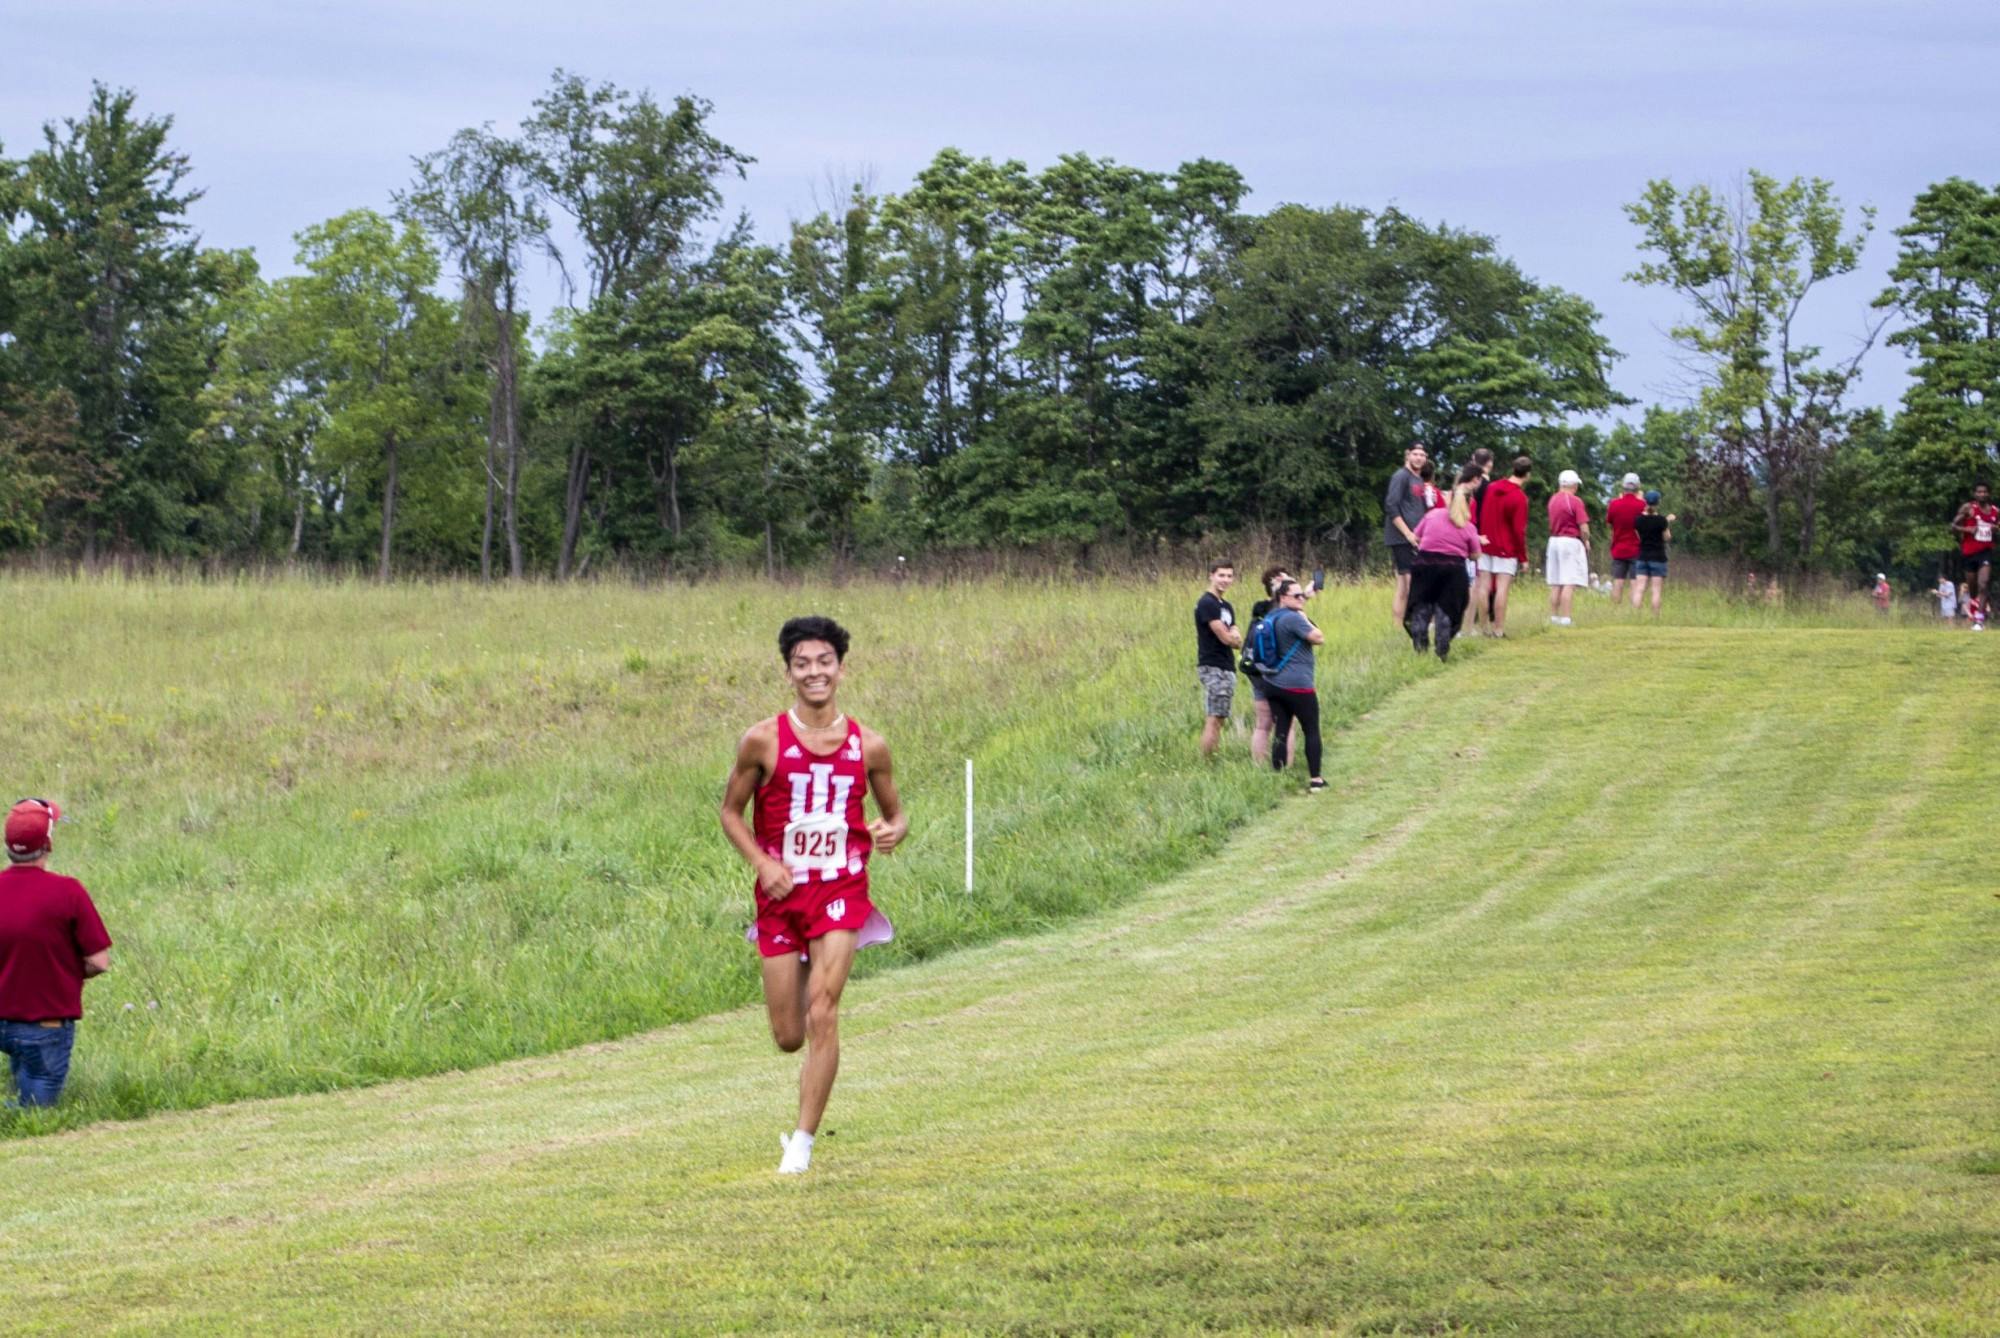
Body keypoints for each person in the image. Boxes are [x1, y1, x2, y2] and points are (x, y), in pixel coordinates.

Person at [720, 616, 907, 1174]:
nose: (814, 672)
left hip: (841, 889)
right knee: (788, 1035)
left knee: (825, 1011)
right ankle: (800, 1115)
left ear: (841, 669)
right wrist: (762, 862)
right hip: (781, 895)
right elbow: (730, 813)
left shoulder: (869, 745)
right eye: (802, 663)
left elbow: (895, 815)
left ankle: (801, 1144)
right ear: (788, 674)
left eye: (824, 661)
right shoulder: (763, 740)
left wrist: (892, 830)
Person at [0, 798, 111, 1108]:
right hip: (46, 1026)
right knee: (37, 1117)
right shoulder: (68, 892)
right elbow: (99, 961)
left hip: (3, 1022)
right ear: (47, 843)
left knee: (19, 1101)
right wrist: (64, 970)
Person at [1407, 473, 1484, 659]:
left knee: (1422, 606)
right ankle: (1442, 646)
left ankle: (1420, 644)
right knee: (1447, 608)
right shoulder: (1468, 526)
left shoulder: (1432, 515)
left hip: (1425, 564)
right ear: (1469, 504)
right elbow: (1475, 554)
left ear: (1448, 498)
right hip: (1453, 568)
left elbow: (1416, 537)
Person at [1262, 580, 1327, 792]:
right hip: (1299, 685)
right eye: (1296, 596)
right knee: (1311, 729)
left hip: (1273, 683)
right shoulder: (1293, 618)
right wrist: (1303, 615)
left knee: (1281, 729)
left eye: (1302, 595)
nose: (1301, 599)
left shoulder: (1272, 615)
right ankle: (1316, 779)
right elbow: (1318, 638)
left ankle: (1278, 778)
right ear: (1283, 597)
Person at [1247, 566, 1313, 766]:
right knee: (1287, 723)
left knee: (1262, 724)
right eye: (1288, 584)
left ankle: (1259, 766)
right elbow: (1311, 632)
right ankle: (1286, 766)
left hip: (1257, 669)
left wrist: (1305, 597)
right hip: (1278, 673)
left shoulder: (1260, 608)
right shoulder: (1287, 613)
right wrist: (1303, 603)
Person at [1477, 455, 1531, 637]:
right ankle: (1498, 629)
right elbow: (1518, 530)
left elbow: (1483, 512)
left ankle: (1483, 627)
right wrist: (1523, 557)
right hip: (1506, 548)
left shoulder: (1492, 488)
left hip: (1486, 543)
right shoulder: (1519, 497)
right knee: (1502, 588)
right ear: (1527, 475)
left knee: (1483, 587)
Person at [1194, 560, 1242, 760]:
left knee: (1220, 716)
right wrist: (1233, 638)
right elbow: (1224, 636)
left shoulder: (1226, 606)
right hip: (1213, 665)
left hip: (1226, 664)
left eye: (1229, 576)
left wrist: (1234, 638)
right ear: (1211, 576)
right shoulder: (1207, 603)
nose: (1225, 580)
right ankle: (1207, 760)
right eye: (1221, 575)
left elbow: (1236, 634)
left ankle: (1211, 756)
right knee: (1214, 717)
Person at [1383, 444, 1430, 628]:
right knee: (1413, 584)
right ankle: (1416, 625)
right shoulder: (1401, 476)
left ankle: (1398, 627)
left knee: (1403, 586)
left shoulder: (1418, 479)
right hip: (1403, 538)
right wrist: (1408, 533)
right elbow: (1391, 506)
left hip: (1416, 536)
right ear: (1408, 455)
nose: (1418, 458)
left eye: (1422, 455)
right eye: (1415, 454)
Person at [1545, 469, 1591, 625]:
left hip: (1554, 541)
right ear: (1573, 485)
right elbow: (1583, 527)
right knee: (1568, 581)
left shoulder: (1552, 500)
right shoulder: (1575, 501)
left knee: (1556, 582)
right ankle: (1565, 618)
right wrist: (1585, 541)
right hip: (1570, 541)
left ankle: (1553, 616)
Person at [1950, 483, 1997, 628]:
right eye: (1979, 492)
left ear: (1988, 494)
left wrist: (1996, 529)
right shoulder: (1968, 508)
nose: (1982, 494)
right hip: (1969, 553)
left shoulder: (1995, 511)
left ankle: (1979, 621)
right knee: (1973, 590)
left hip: (1985, 553)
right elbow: (1952, 527)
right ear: (1975, 494)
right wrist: (1967, 529)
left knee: (1983, 584)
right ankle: (1974, 603)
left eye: (1984, 492)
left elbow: (1997, 528)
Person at [1466, 448, 1496, 633]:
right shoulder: (1485, 486)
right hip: (1480, 532)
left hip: (1472, 530)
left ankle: (1475, 620)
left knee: (1476, 581)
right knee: (1480, 581)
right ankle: (1481, 621)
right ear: (1489, 463)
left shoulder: (1470, 485)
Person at [1629, 491, 1674, 614]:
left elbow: (1639, 537)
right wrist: (1667, 523)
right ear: (1658, 503)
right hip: (1658, 557)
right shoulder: (1661, 520)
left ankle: (1634, 614)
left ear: (1646, 502)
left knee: (1640, 588)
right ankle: (1655, 616)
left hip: (1642, 556)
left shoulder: (1638, 520)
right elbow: (1666, 537)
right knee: (1656, 589)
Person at [1606, 473, 1646, 604]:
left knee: (1618, 581)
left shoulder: (1614, 504)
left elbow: (1609, 523)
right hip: (1636, 549)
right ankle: (1633, 609)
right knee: (1635, 581)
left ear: (1623, 486)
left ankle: (1615, 608)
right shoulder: (1642, 505)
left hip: (1618, 547)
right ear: (1637, 487)